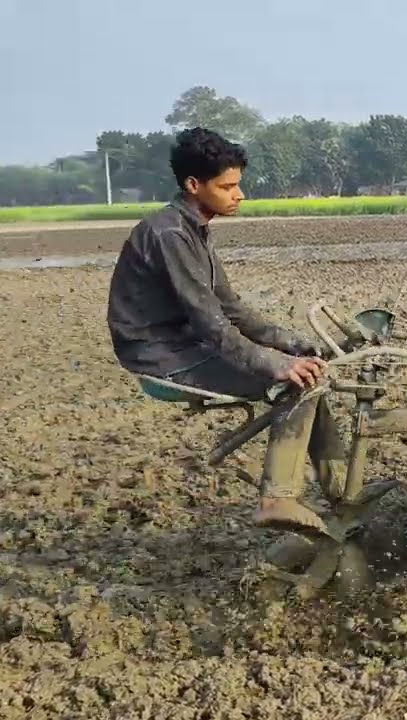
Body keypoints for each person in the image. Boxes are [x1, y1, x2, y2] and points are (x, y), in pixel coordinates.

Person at [107, 127, 342, 534]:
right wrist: (276, 365)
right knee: (295, 384)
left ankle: (340, 494)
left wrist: (298, 345)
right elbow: (210, 323)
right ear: (193, 185)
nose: (239, 194)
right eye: (228, 186)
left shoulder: (194, 229)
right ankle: (277, 499)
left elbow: (231, 308)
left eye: (238, 185)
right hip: (162, 354)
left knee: (309, 373)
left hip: (187, 342)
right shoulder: (169, 235)